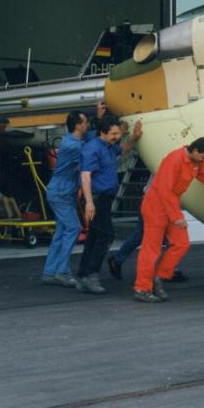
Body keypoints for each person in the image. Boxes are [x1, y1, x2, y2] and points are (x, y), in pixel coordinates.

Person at [133, 137, 204, 303]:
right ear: (195, 151)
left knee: (181, 244)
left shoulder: (196, 162)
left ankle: (158, 277)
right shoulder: (174, 159)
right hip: (156, 207)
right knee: (151, 249)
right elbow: (165, 191)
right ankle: (142, 288)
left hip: (169, 205)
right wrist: (176, 217)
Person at [75, 114, 142, 294]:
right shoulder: (92, 149)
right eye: (113, 134)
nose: (117, 137)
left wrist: (134, 138)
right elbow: (85, 176)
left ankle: (83, 274)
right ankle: (91, 274)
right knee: (106, 235)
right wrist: (89, 202)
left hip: (103, 198)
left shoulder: (109, 146)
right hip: (96, 198)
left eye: (117, 133)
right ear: (102, 132)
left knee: (95, 236)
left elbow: (123, 149)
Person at [41, 110, 91, 287]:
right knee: (73, 229)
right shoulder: (74, 146)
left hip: (60, 191)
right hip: (62, 192)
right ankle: (62, 271)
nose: (87, 124)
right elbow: (91, 152)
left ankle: (50, 271)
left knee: (62, 231)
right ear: (77, 125)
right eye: (85, 122)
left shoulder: (70, 141)